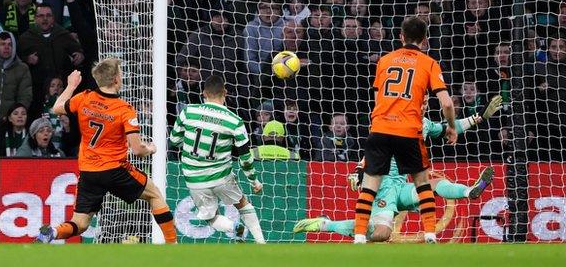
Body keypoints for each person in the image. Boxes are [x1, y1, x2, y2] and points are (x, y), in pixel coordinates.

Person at [294, 95, 503, 241]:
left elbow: (448, 129)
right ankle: (326, 224)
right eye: (420, 103)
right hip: (382, 185)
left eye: (425, 104)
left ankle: (470, 191)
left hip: (402, 185)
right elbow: (373, 148)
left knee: (435, 183)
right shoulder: (391, 121)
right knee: (381, 234)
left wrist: (478, 118)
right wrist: (359, 171)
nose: (423, 107)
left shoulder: (425, 124)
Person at [36, 59, 177, 243]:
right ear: (117, 79)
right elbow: (137, 150)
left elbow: (56, 108)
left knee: (80, 223)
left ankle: (52, 233)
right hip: (115, 170)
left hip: (89, 172)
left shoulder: (84, 98)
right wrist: (150, 148)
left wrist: (71, 86)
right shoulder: (124, 109)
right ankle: (173, 244)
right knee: (154, 195)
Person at [352, 17, 458, 244]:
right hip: (409, 129)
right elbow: (447, 103)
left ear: (401, 37)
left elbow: (377, 97)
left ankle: (359, 235)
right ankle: (430, 233)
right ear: (425, 40)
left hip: (380, 127)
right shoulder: (429, 63)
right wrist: (450, 126)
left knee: (370, 184)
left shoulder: (384, 60)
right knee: (422, 181)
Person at [169, 75, 266, 243]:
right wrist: (254, 180)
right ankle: (261, 243)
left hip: (194, 178)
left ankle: (233, 228)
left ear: (203, 93)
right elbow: (245, 157)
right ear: (225, 92)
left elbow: (174, 140)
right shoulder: (234, 120)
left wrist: (194, 148)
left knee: (210, 217)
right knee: (243, 204)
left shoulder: (188, 112)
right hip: (222, 176)